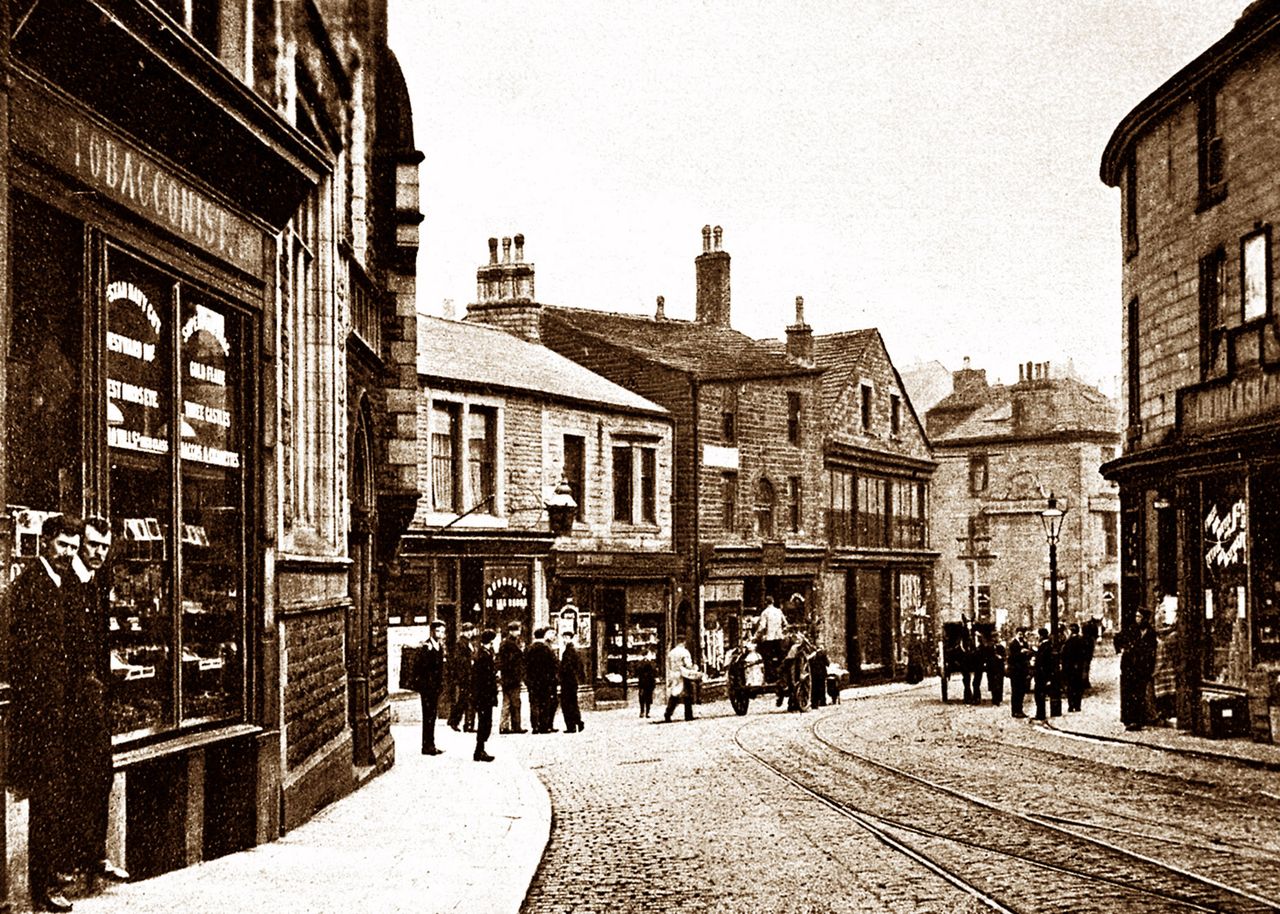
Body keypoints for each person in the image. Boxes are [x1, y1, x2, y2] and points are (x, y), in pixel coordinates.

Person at [10, 514, 82, 912]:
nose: (68, 555)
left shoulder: (67, 583)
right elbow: (18, 652)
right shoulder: (27, 587)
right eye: (62, 547)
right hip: (38, 714)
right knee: (45, 799)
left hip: (64, 711)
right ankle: (43, 888)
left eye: (73, 548)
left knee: (60, 796)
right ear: (45, 543)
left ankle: (55, 871)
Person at [64, 516, 129, 890]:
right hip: (71, 700)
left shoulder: (97, 581)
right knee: (73, 780)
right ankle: (71, 861)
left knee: (100, 774)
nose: (98, 553)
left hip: (95, 699)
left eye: (104, 547)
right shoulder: (66, 582)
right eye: (92, 545)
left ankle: (95, 854)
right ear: (80, 543)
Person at [1115, 607, 1158, 731]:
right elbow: (1118, 639)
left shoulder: (1150, 633)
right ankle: (1128, 719)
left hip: (1142, 668)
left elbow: (1152, 650)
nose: (1137, 619)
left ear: (1145, 618)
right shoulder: (1132, 630)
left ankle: (1138, 720)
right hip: (1129, 667)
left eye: (1139, 616)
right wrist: (1122, 649)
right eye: (1136, 616)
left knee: (1139, 694)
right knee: (1128, 693)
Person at [413, 621, 447, 755]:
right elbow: (420, 668)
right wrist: (424, 684)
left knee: (432, 716)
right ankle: (426, 746)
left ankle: (431, 743)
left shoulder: (439, 647)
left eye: (443, 632)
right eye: (438, 631)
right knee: (427, 715)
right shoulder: (427, 647)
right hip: (427, 688)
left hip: (435, 688)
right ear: (433, 631)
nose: (441, 634)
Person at [472, 630, 499, 761]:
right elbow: (485, 677)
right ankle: (479, 750)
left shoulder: (484, 653)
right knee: (485, 722)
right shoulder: (484, 655)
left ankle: (480, 749)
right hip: (484, 695)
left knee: (485, 722)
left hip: (483, 695)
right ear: (492, 641)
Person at [524, 627, 556, 733]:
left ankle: (535, 726)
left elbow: (525, 665)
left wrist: (527, 679)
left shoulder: (529, 648)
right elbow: (553, 665)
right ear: (543, 636)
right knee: (544, 703)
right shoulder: (547, 649)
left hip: (532, 681)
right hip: (545, 681)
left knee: (533, 703)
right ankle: (543, 726)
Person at [498, 622, 527, 734]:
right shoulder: (510, 644)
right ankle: (514, 726)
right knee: (514, 702)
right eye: (517, 630)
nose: (518, 633)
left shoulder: (506, 643)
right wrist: (520, 651)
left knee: (507, 702)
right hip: (512, 677)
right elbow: (511, 660)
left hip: (508, 677)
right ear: (512, 631)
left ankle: (504, 725)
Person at [446, 625, 475, 732]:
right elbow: (459, 660)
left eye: (470, 631)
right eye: (467, 631)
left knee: (465, 700)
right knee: (464, 700)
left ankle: (462, 722)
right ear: (463, 632)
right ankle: (457, 721)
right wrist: (469, 663)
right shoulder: (460, 644)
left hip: (469, 676)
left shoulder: (469, 643)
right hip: (465, 677)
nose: (469, 633)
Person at [663, 636, 699, 722]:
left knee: (675, 694)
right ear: (684, 642)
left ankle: (668, 713)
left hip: (674, 674)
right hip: (683, 674)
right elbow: (688, 664)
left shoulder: (671, 652)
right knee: (687, 694)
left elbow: (668, 665)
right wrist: (694, 668)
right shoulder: (684, 652)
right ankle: (688, 715)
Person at [756, 595, 786, 685]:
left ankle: (770, 678)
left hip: (769, 639)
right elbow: (785, 623)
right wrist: (781, 631)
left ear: (766, 603)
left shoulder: (765, 613)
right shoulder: (779, 611)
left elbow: (762, 627)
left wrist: (756, 635)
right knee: (780, 658)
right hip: (779, 638)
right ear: (773, 602)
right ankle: (781, 677)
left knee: (767, 658)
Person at [559, 631, 585, 733]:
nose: (564, 640)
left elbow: (567, 668)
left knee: (567, 704)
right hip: (572, 681)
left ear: (570, 638)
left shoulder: (569, 651)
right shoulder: (572, 650)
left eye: (566, 637)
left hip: (568, 681)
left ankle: (571, 726)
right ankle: (578, 722)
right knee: (573, 703)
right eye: (564, 637)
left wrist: (560, 669)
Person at [1060, 622, 1088, 713]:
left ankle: (1071, 705)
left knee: (1070, 687)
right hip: (1078, 667)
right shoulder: (1081, 640)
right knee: (1078, 687)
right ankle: (1077, 705)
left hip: (1069, 667)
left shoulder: (1068, 641)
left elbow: (1064, 654)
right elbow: (1084, 654)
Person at [1032, 627, 1057, 721]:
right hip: (1042, 674)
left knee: (1039, 695)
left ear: (1041, 636)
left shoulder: (1045, 646)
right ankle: (1039, 713)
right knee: (1039, 695)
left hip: (1042, 674)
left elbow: (1043, 661)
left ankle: (1040, 714)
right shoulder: (1046, 645)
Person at [1007, 627, 1030, 718]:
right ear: (1016, 633)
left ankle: (1020, 709)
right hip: (1015, 671)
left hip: (1023, 670)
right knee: (1015, 691)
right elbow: (1011, 658)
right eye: (1020, 634)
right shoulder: (1013, 644)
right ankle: (1014, 711)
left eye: (1022, 634)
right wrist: (1021, 653)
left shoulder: (1025, 643)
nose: (1021, 636)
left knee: (1022, 691)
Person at [983, 631, 1005, 706]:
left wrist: (1001, 657)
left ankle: (998, 698)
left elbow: (1004, 656)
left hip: (999, 667)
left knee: (999, 683)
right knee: (992, 683)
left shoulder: (1001, 647)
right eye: (995, 637)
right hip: (991, 668)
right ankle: (994, 698)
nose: (996, 638)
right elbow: (986, 657)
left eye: (997, 637)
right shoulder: (988, 647)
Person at [809, 641, 829, 708]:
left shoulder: (812, 655)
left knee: (814, 688)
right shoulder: (823, 654)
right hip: (821, 674)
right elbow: (827, 663)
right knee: (822, 688)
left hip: (814, 674)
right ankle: (822, 701)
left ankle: (814, 703)